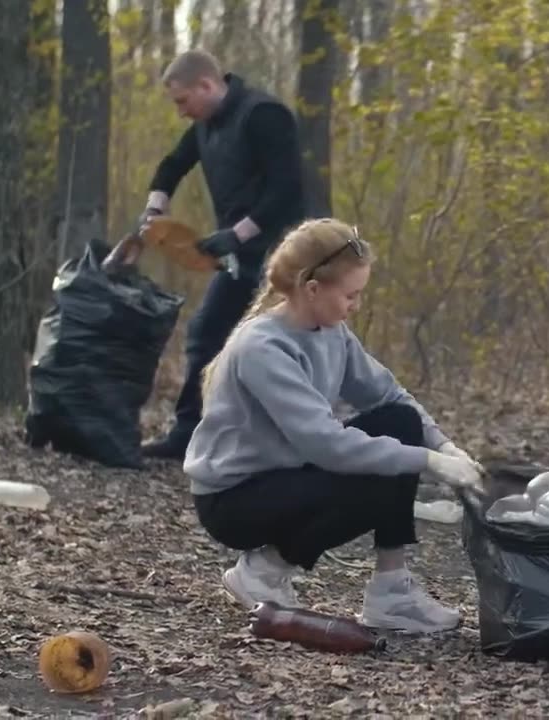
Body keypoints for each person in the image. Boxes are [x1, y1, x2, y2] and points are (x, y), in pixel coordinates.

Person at [183, 218, 485, 634]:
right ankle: (263, 570)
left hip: (286, 475)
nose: (355, 306)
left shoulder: (332, 333)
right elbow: (325, 444)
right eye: (350, 295)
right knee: (380, 471)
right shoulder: (263, 347)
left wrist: (447, 449)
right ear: (312, 289)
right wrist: (429, 462)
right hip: (234, 499)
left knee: (400, 423)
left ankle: (391, 591)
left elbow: (390, 398)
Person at [138, 49, 308, 459]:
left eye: (182, 101)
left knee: (282, 350)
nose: (181, 112)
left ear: (207, 85)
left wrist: (237, 234)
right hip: (242, 255)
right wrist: (154, 208)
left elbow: (287, 190)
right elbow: (172, 164)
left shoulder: (265, 115)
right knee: (208, 334)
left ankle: (299, 443)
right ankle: (190, 434)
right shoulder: (205, 124)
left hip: (291, 257)